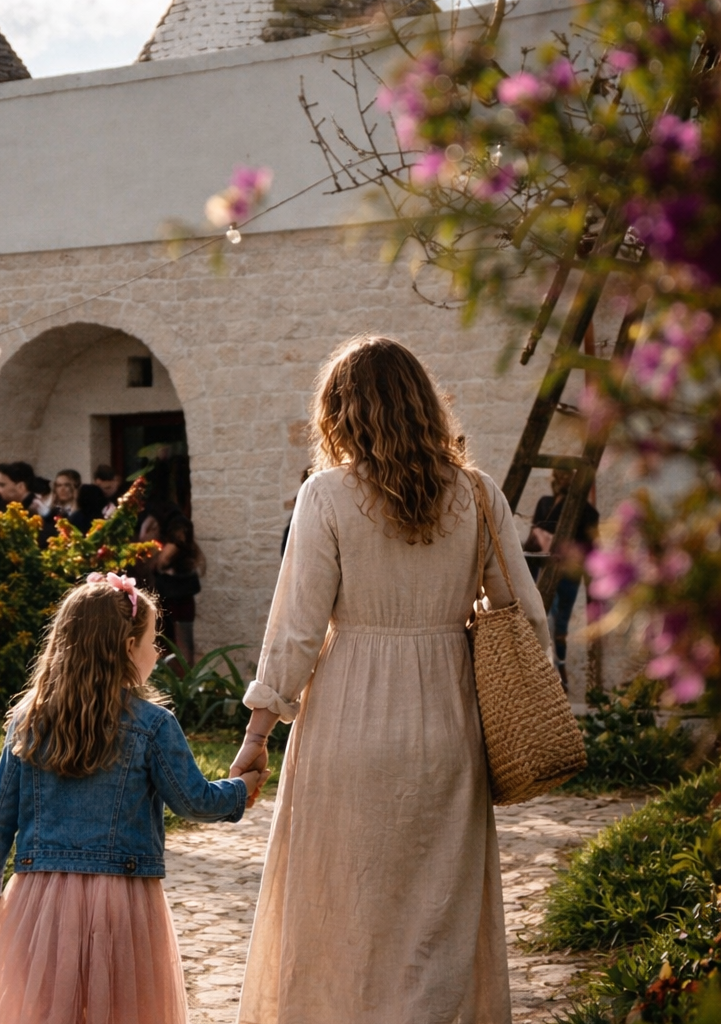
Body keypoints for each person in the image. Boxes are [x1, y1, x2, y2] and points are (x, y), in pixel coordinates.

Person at [229, 336, 551, 1024]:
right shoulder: (477, 494)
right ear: (424, 404)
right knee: (439, 914)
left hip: (345, 720)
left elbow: (296, 631)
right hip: (448, 719)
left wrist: (258, 734)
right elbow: (526, 617)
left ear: (340, 413)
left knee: (341, 903)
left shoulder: (326, 496)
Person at [0, 575, 268, 1024]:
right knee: (117, 1007)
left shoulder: (29, 718)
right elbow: (193, 801)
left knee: (41, 1005)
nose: (158, 653)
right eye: (154, 641)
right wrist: (241, 788)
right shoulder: (153, 725)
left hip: (42, 896)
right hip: (122, 899)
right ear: (127, 647)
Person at [523, 467, 600, 690]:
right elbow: (534, 537)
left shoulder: (587, 511)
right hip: (544, 568)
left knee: (560, 623)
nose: (564, 480)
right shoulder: (546, 503)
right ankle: (545, 671)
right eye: (562, 475)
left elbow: (591, 547)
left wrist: (592, 583)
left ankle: (560, 669)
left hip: (568, 574)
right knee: (544, 618)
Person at [152, 513, 204, 666]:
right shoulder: (184, 547)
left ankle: (183, 673)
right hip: (177, 600)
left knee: (181, 640)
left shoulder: (181, 547)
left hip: (178, 601)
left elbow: (162, 564)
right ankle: (182, 672)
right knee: (178, 640)